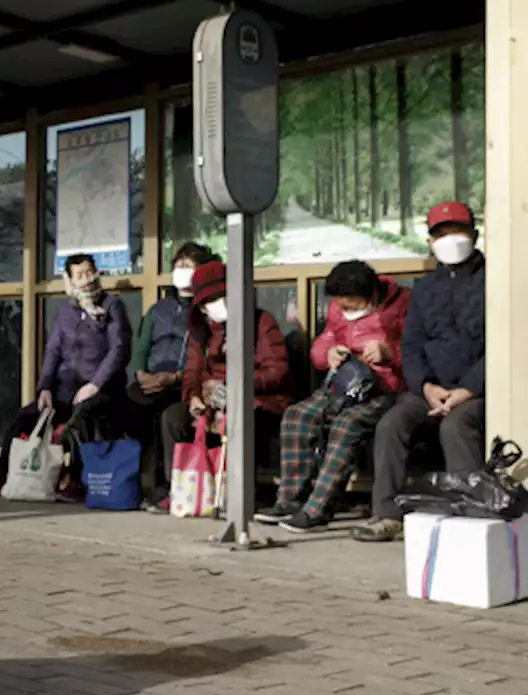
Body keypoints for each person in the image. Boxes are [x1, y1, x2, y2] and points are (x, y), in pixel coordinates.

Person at [353, 201, 486, 543]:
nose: (450, 239)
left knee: (457, 426)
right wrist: (425, 386)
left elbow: (506, 344)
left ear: (474, 234)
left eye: (457, 231)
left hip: (481, 391)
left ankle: (472, 516)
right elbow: (411, 346)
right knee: (392, 423)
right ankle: (386, 515)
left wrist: (469, 388)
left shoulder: (496, 279)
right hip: (431, 389)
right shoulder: (425, 288)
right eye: (440, 234)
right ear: (429, 242)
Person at [255, 261, 410, 533]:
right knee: (297, 416)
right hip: (343, 384)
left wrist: (390, 354)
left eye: (352, 306)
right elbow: (322, 344)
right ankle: (290, 500)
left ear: (371, 295)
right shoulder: (337, 310)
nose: (346, 312)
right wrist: (328, 354)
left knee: (347, 424)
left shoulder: (404, 304)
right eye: (342, 307)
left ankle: (319, 508)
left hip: (383, 388)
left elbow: (420, 352)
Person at [0, 254, 131, 498]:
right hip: (64, 389)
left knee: (84, 414)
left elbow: (119, 349)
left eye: (90, 273)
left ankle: (77, 480)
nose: (86, 280)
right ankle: (1, 475)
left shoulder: (112, 306)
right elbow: (53, 352)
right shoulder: (64, 312)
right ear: (69, 280)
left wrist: (95, 384)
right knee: (25, 417)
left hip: (102, 390)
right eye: (79, 275)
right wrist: (44, 388)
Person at [154, 260, 293, 513]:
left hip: (257, 399)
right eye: (211, 300)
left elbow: (277, 370)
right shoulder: (200, 329)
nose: (219, 303)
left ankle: (239, 493)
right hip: (210, 399)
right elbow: (192, 371)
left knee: (239, 419)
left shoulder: (261, 322)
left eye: (223, 295)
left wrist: (236, 386)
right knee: (172, 418)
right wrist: (194, 397)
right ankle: (180, 488)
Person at [128, 242, 215, 497]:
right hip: (150, 378)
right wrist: (141, 374)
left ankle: (165, 485)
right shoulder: (158, 309)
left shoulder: (204, 310)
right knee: (131, 404)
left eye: (188, 266)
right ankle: (135, 481)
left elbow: (200, 354)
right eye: (178, 265)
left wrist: (174, 377)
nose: (182, 270)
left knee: (164, 412)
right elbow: (142, 347)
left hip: (179, 381)